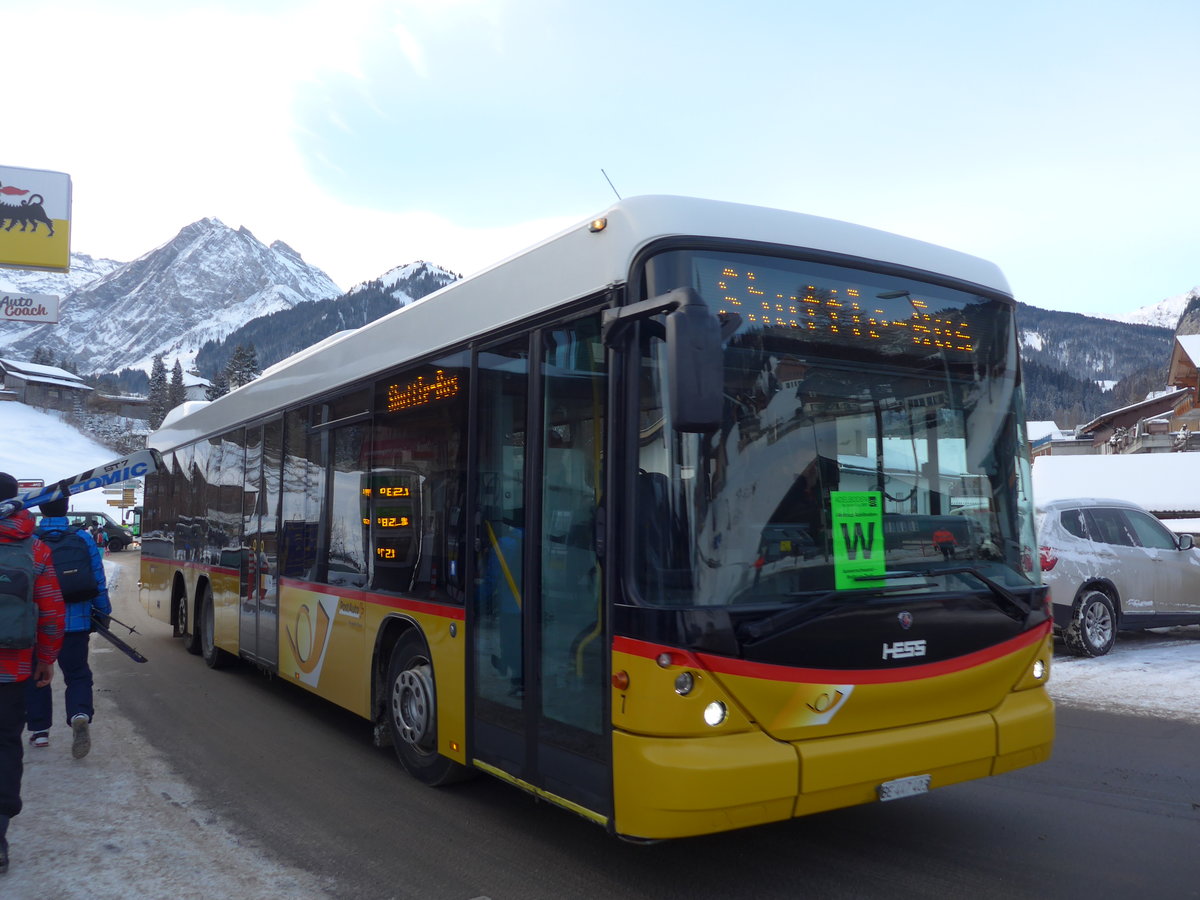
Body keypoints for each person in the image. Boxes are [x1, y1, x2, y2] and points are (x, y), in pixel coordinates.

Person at [0, 472, 65, 875]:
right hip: (13, 668)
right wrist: (47, 658)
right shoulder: (35, 547)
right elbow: (52, 609)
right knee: (5, 744)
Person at [26, 492, 111, 759]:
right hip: (76, 621)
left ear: (41, 509)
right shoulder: (83, 537)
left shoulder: (31, 540)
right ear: (66, 509)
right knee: (77, 672)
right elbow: (97, 576)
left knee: (38, 674)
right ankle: (79, 713)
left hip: (39, 621)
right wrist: (103, 611)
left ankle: (40, 731)